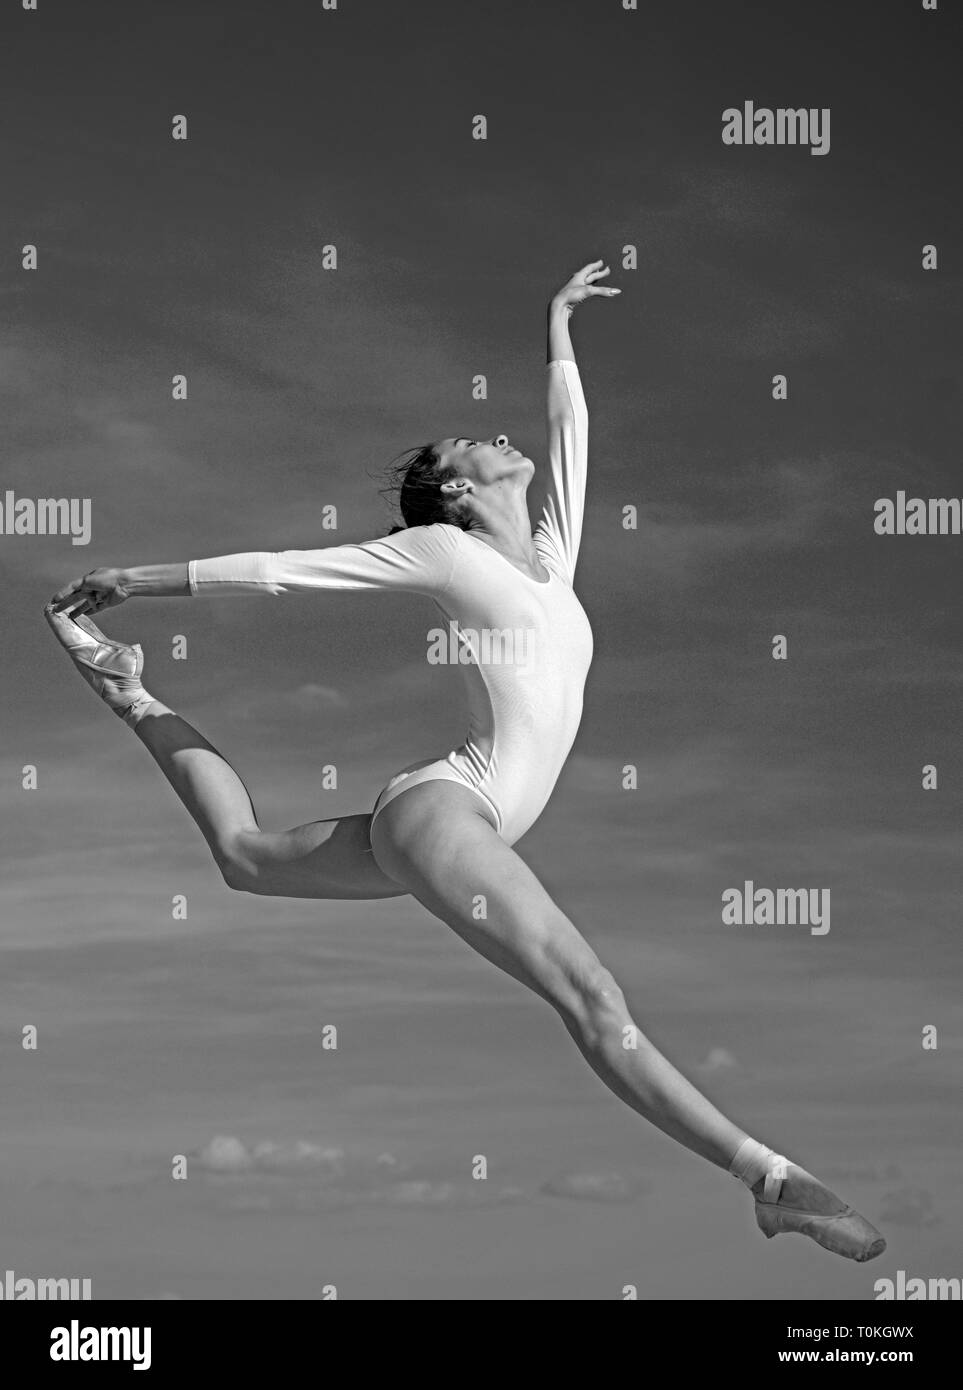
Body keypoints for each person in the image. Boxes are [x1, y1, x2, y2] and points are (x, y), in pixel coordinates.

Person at [46, 260, 885, 1262]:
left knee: (243, 854)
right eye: (473, 441)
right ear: (454, 488)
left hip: (447, 823)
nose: (498, 437)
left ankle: (130, 692)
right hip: (453, 812)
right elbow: (281, 574)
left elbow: (573, 441)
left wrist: (558, 324)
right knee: (593, 996)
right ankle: (768, 1178)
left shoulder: (547, 563)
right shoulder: (447, 554)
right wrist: (133, 576)